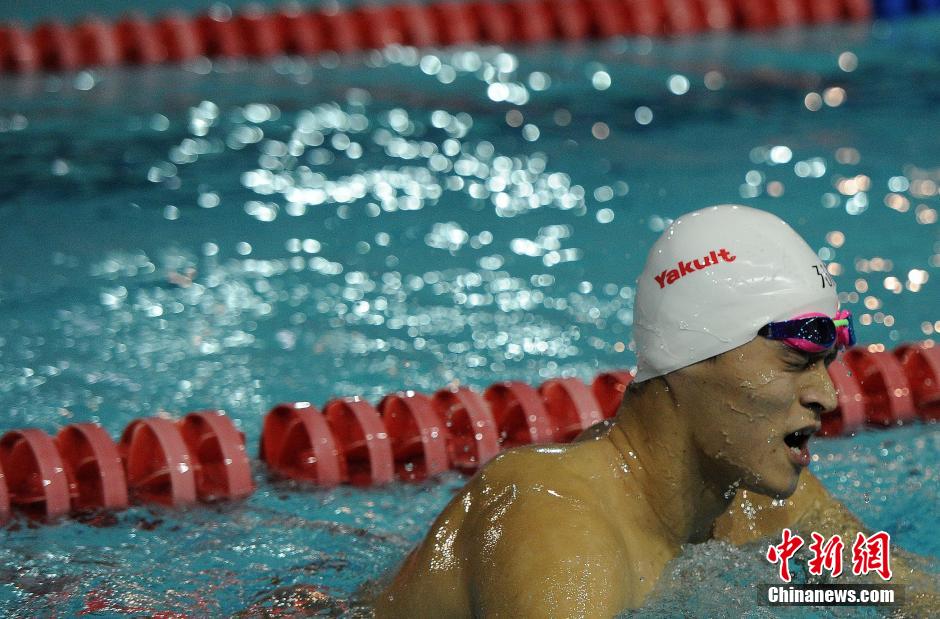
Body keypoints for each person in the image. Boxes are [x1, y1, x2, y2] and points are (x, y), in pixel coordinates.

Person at [375, 205, 937, 617]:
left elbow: (907, 590)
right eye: (795, 363)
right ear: (690, 359)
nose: (829, 397)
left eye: (829, 365)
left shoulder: (758, 505)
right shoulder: (552, 519)